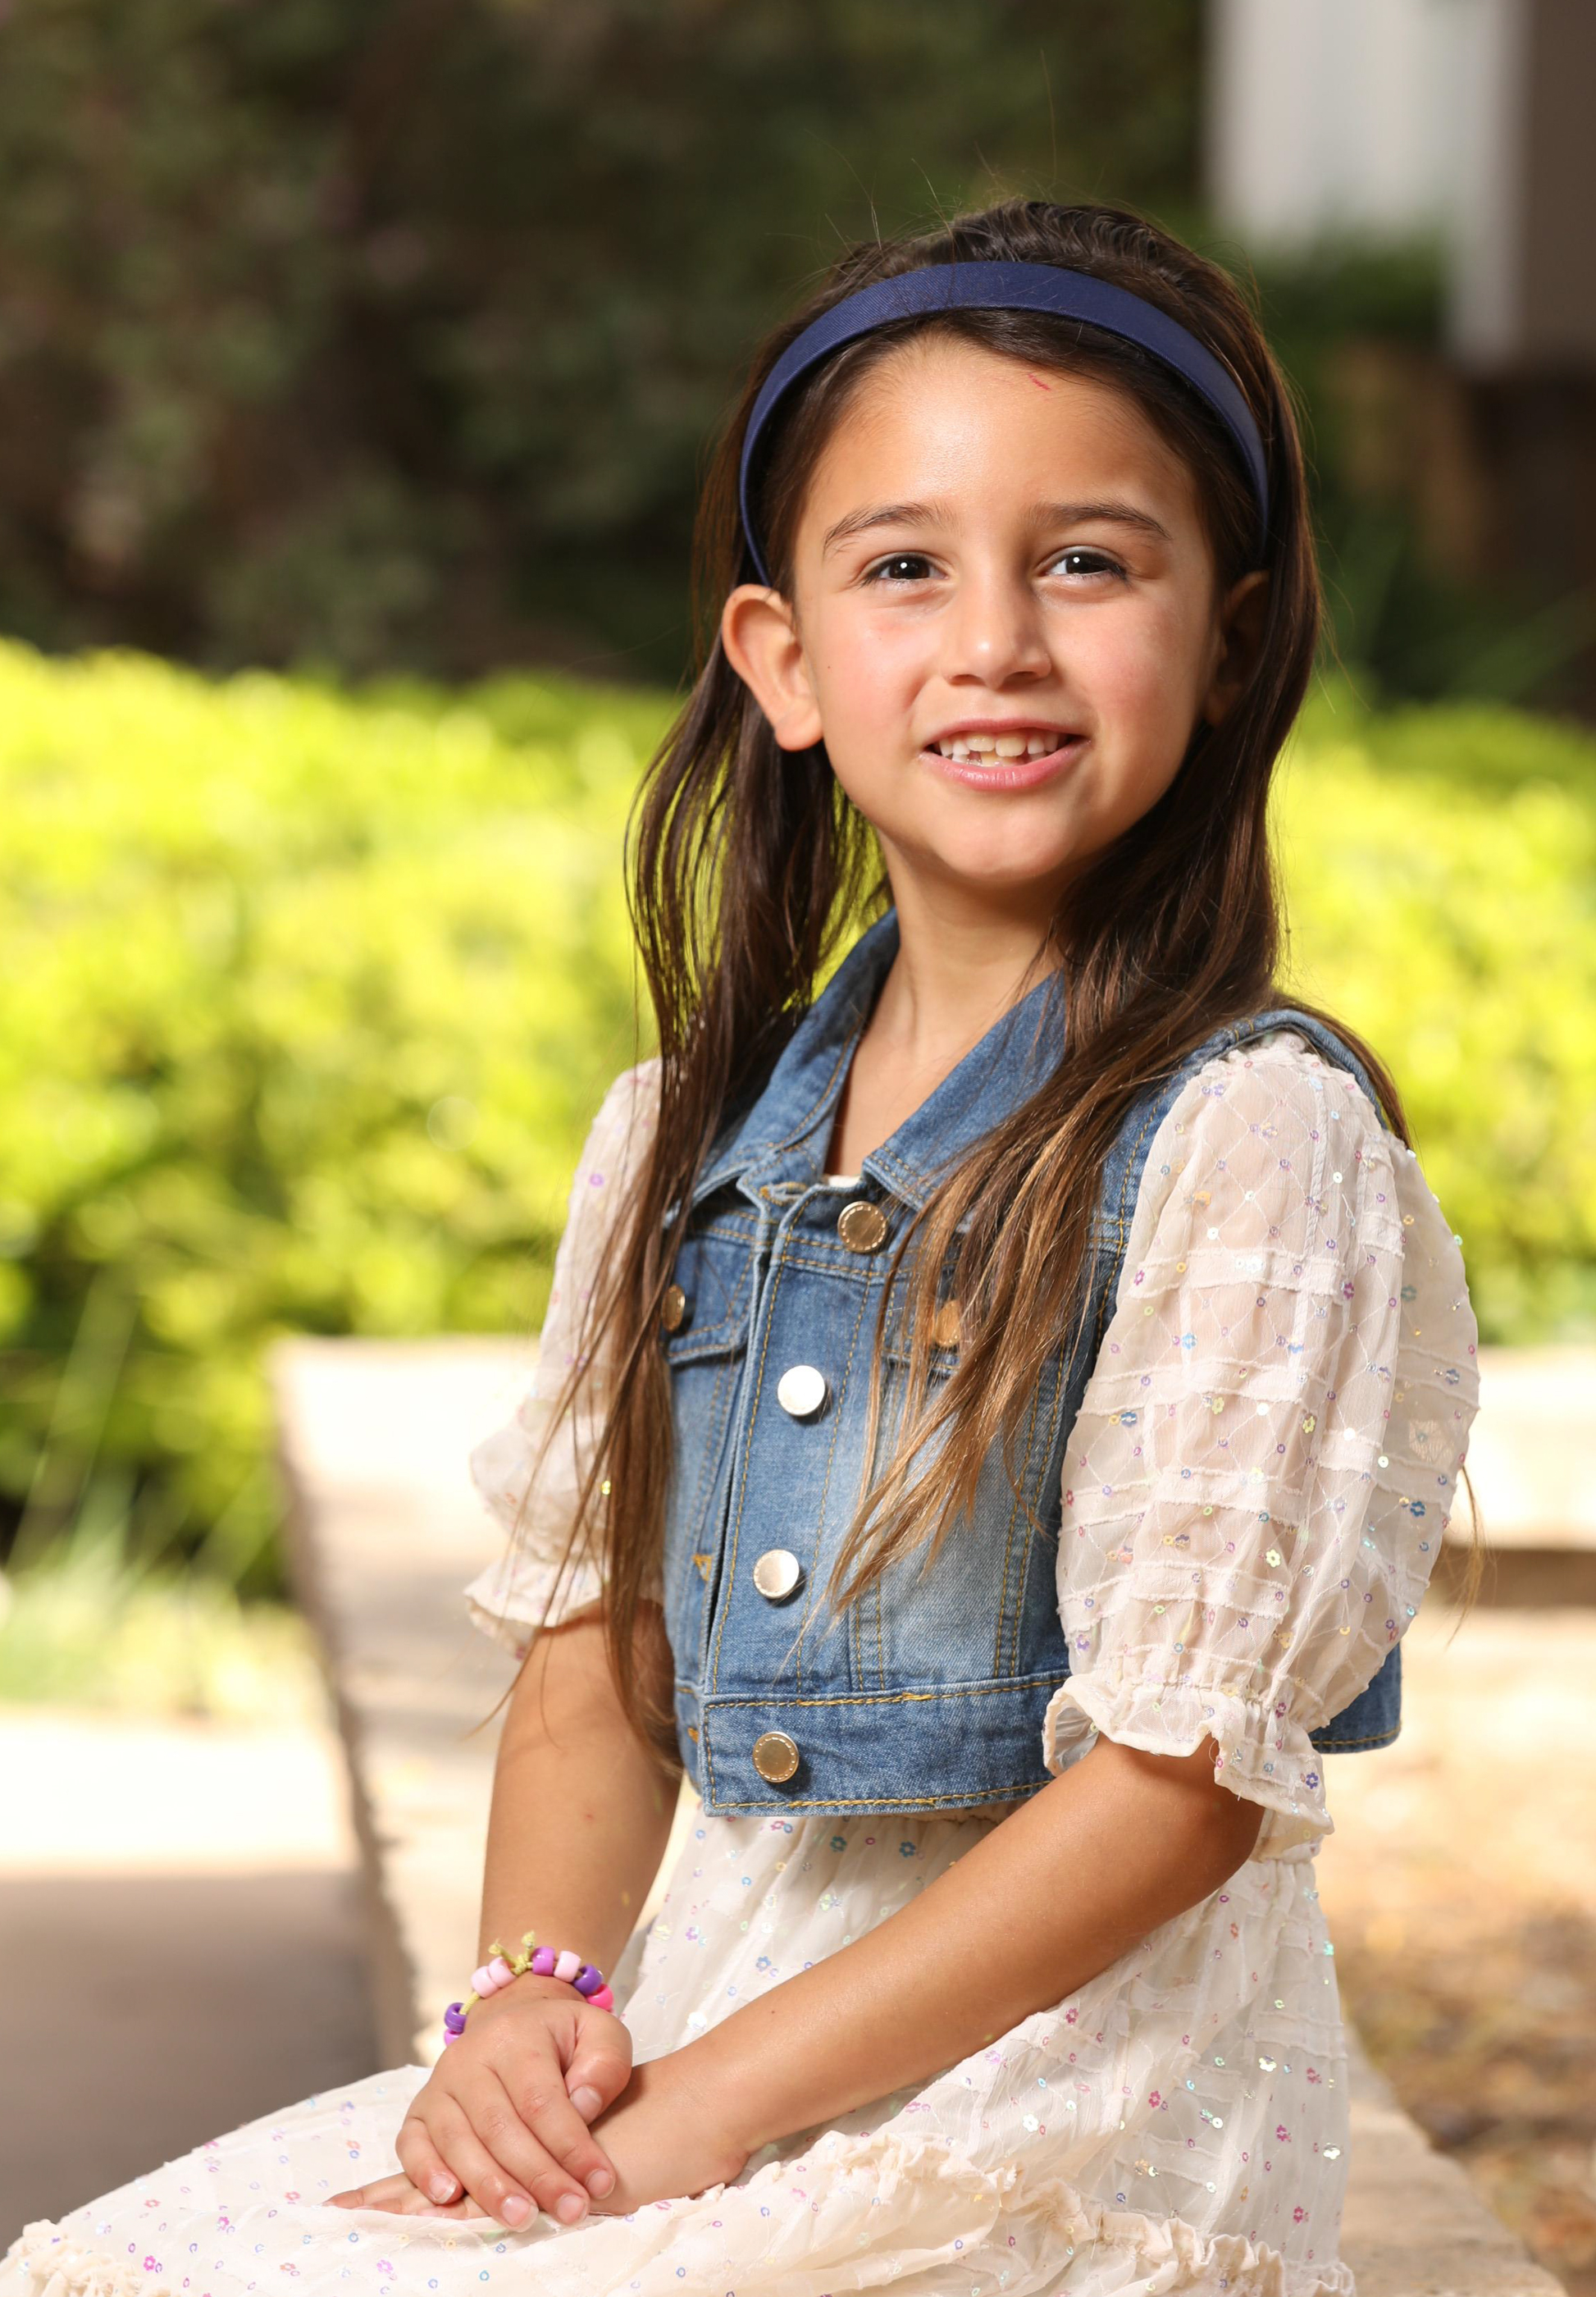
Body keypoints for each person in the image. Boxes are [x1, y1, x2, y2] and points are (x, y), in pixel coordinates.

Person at [6, 198, 1482, 2297]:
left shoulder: (1250, 1138)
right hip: (720, 2031)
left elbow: (1175, 1790)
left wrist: (700, 2119)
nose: (997, 639)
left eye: (1086, 559)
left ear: (1228, 638)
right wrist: (524, 2001)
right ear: (781, 660)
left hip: (1067, 2105)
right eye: (904, 567)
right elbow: (601, 1643)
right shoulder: (682, 1139)